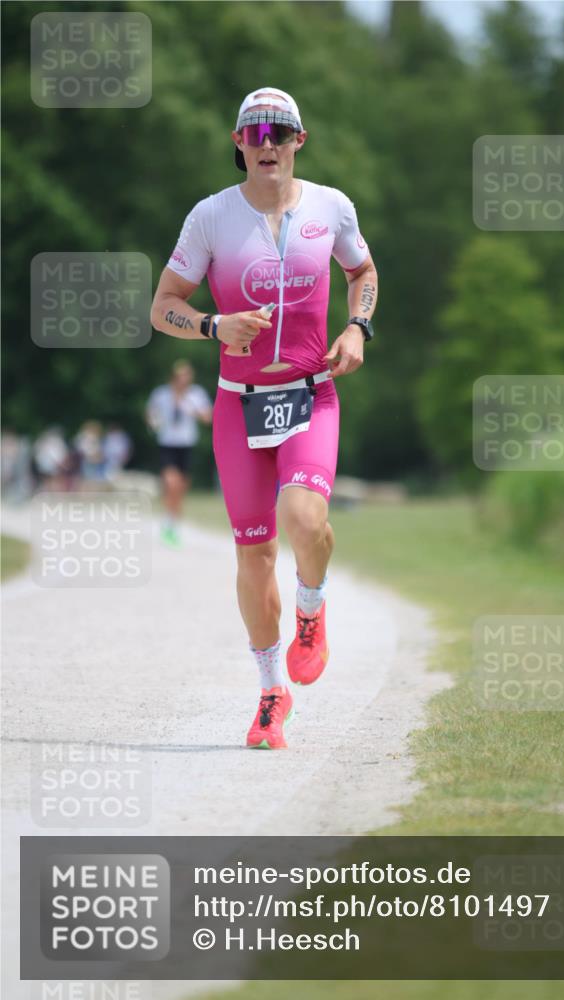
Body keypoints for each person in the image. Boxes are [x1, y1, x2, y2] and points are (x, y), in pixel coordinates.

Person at [150, 87, 378, 749]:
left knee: (306, 519)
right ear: (238, 143)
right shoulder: (210, 218)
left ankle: (312, 607)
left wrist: (357, 328)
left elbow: (362, 270)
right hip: (236, 404)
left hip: (312, 396)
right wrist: (215, 325)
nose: (268, 144)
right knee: (254, 554)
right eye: (256, 134)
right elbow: (164, 305)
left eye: (280, 133)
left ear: (299, 141)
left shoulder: (331, 207)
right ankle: (271, 691)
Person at [146, 360, 212, 546]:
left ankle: (172, 522)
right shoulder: (161, 394)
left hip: (187, 444)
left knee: (180, 488)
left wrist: (195, 412)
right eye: (180, 376)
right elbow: (151, 413)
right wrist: (152, 422)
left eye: (186, 376)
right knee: (171, 482)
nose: (183, 379)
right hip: (167, 443)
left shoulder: (196, 394)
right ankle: (169, 522)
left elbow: (208, 417)